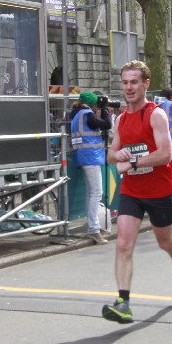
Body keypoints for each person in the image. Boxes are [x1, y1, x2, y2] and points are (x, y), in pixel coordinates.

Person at [102, 60, 172, 324]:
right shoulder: (121, 119)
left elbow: (165, 154)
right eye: (125, 82)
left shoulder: (156, 114)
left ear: (146, 84)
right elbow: (110, 156)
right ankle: (123, 302)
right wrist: (118, 154)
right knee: (123, 243)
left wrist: (132, 162)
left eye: (134, 82)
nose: (129, 87)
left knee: (166, 242)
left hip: (158, 190)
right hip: (132, 190)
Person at [71, 92, 111, 244]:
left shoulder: (77, 115)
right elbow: (107, 124)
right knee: (96, 193)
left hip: (83, 156)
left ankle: (93, 226)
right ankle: (94, 229)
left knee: (91, 193)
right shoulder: (87, 115)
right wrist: (105, 108)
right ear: (93, 104)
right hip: (91, 156)